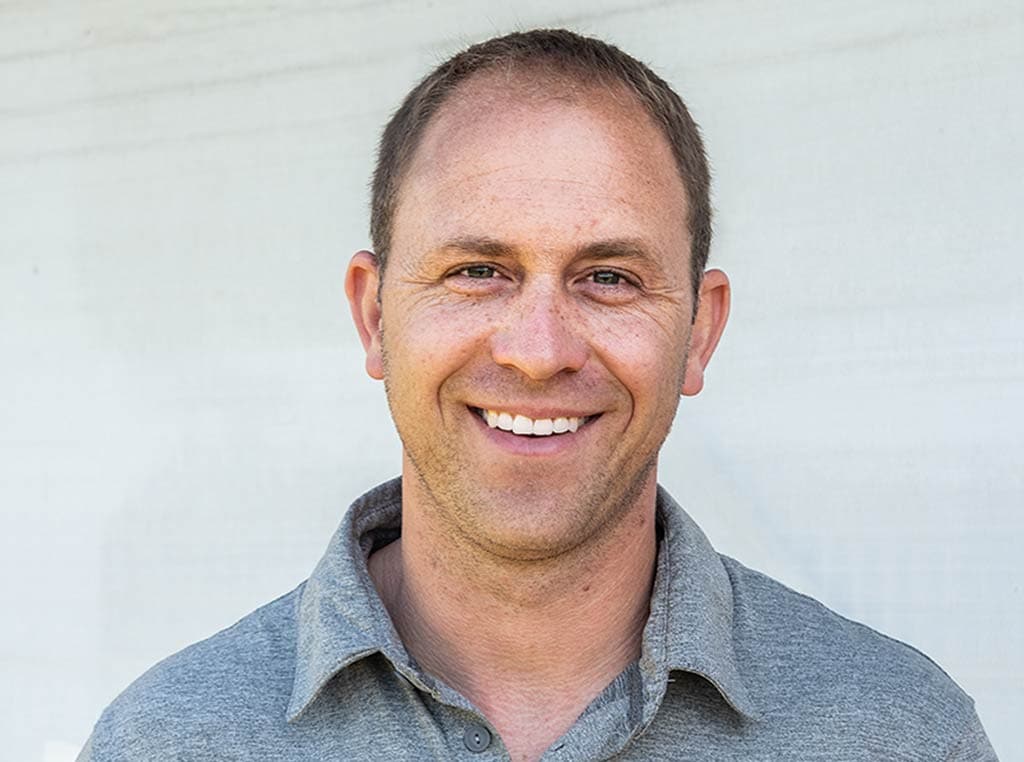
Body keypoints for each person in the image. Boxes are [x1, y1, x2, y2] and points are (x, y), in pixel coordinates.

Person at [80, 29, 997, 761]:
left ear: (700, 331)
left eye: (609, 278)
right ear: (374, 316)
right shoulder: (162, 742)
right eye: (478, 270)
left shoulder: (903, 735)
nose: (538, 352)